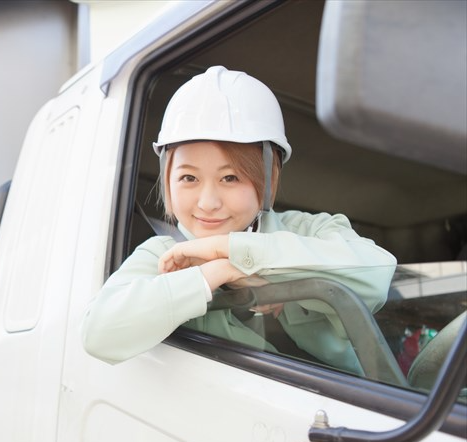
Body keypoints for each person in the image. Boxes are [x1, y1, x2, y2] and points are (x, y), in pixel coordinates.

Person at [81, 66, 397, 373]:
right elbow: (99, 334)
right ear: (167, 180)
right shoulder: (162, 254)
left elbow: (377, 275)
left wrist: (239, 254)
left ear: (268, 180)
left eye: (230, 178)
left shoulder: (309, 229)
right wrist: (216, 271)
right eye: (189, 178)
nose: (208, 202)